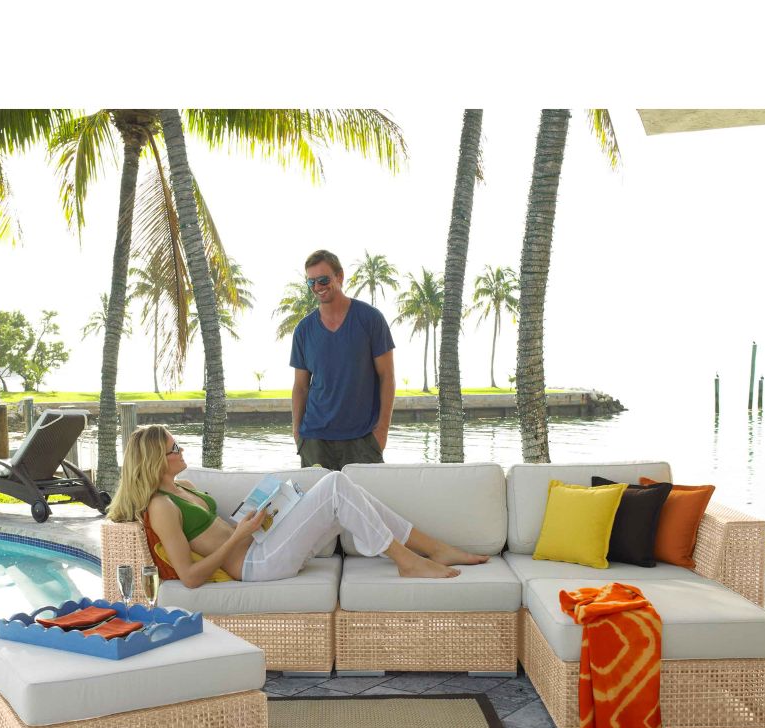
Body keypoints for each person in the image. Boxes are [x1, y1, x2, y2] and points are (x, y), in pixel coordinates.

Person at [107, 425, 487, 590]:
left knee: (343, 489)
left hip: (262, 544)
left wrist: (255, 517)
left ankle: (431, 548)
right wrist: (238, 535)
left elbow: (217, 531)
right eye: (175, 448)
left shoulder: (184, 486)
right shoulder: (161, 506)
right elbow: (190, 576)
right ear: (157, 458)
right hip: (256, 566)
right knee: (335, 484)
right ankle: (409, 561)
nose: (182, 451)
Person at [290, 249, 396, 471]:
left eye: (323, 279)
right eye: (311, 282)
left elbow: (387, 377)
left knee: (362, 505)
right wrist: (298, 434)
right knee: (319, 505)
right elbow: (300, 387)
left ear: (339, 276)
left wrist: (382, 432)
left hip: (363, 439)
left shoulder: (370, 319)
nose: (318, 287)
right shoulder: (303, 330)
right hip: (314, 440)